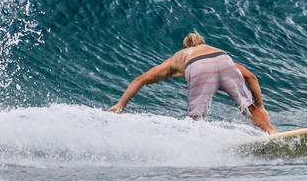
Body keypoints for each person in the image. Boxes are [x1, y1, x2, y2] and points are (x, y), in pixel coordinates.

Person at [108, 33, 276, 133]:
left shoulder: (178, 57)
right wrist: (260, 106)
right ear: (202, 42)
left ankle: (202, 145)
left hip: (198, 66)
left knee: (196, 117)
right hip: (225, 60)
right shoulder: (213, 50)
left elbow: (141, 79)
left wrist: (120, 105)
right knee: (248, 108)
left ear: (185, 46)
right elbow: (251, 77)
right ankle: (271, 132)